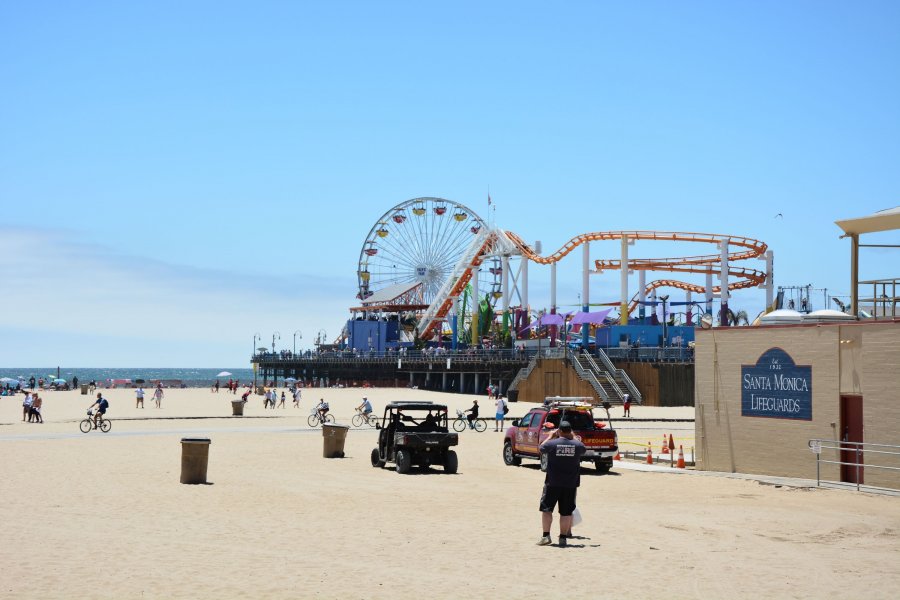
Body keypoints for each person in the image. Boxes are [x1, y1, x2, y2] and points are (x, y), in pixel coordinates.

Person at [537, 421, 586, 547]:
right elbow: (583, 448)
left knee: (547, 510)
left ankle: (546, 536)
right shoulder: (577, 444)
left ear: (559, 431)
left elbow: (541, 448)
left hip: (552, 482)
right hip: (570, 484)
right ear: (570, 431)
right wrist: (573, 436)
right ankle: (563, 538)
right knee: (566, 512)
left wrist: (550, 436)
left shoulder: (552, 443)